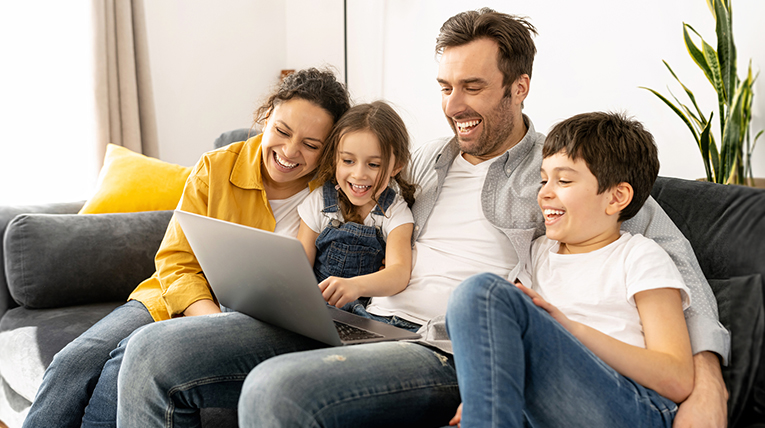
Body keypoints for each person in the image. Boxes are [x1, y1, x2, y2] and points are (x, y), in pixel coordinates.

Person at [116, 8, 729, 428]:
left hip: (443, 349)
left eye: (472, 88)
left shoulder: (559, 175)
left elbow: (669, 256)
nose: (452, 106)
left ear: (519, 88)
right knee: (154, 353)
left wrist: (707, 380)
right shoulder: (425, 161)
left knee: (278, 392)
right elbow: (340, 179)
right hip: (360, 319)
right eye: (443, 86)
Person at [21, 67, 351, 428]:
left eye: (311, 144)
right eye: (282, 131)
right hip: (175, 296)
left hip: (251, 320)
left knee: (125, 360)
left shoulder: (335, 193)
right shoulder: (217, 167)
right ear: (266, 116)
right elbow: (176, 260)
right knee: (74, 360)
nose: (289, 151)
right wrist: (209, 321)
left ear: (329, 148)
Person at [447, 111, 695, 427]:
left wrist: (573, 330)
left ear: (617, 197)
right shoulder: (538, 253)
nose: (545, 192)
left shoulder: (640, 257)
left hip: (633, 408)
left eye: (563, 180)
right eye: (543, 179)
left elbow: (677, 378)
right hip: (549, 410)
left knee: (480, 292)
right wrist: (484, 397)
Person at [297, 101, 416, 317]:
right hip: (313, 310)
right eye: (348, 160)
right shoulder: (319, 203)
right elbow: (299, 265)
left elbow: (398, 274)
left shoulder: (395, 212)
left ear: (396, 166)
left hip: (362, 317)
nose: (359, 174)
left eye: (374, 164)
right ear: (335, 159)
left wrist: (356, 286)